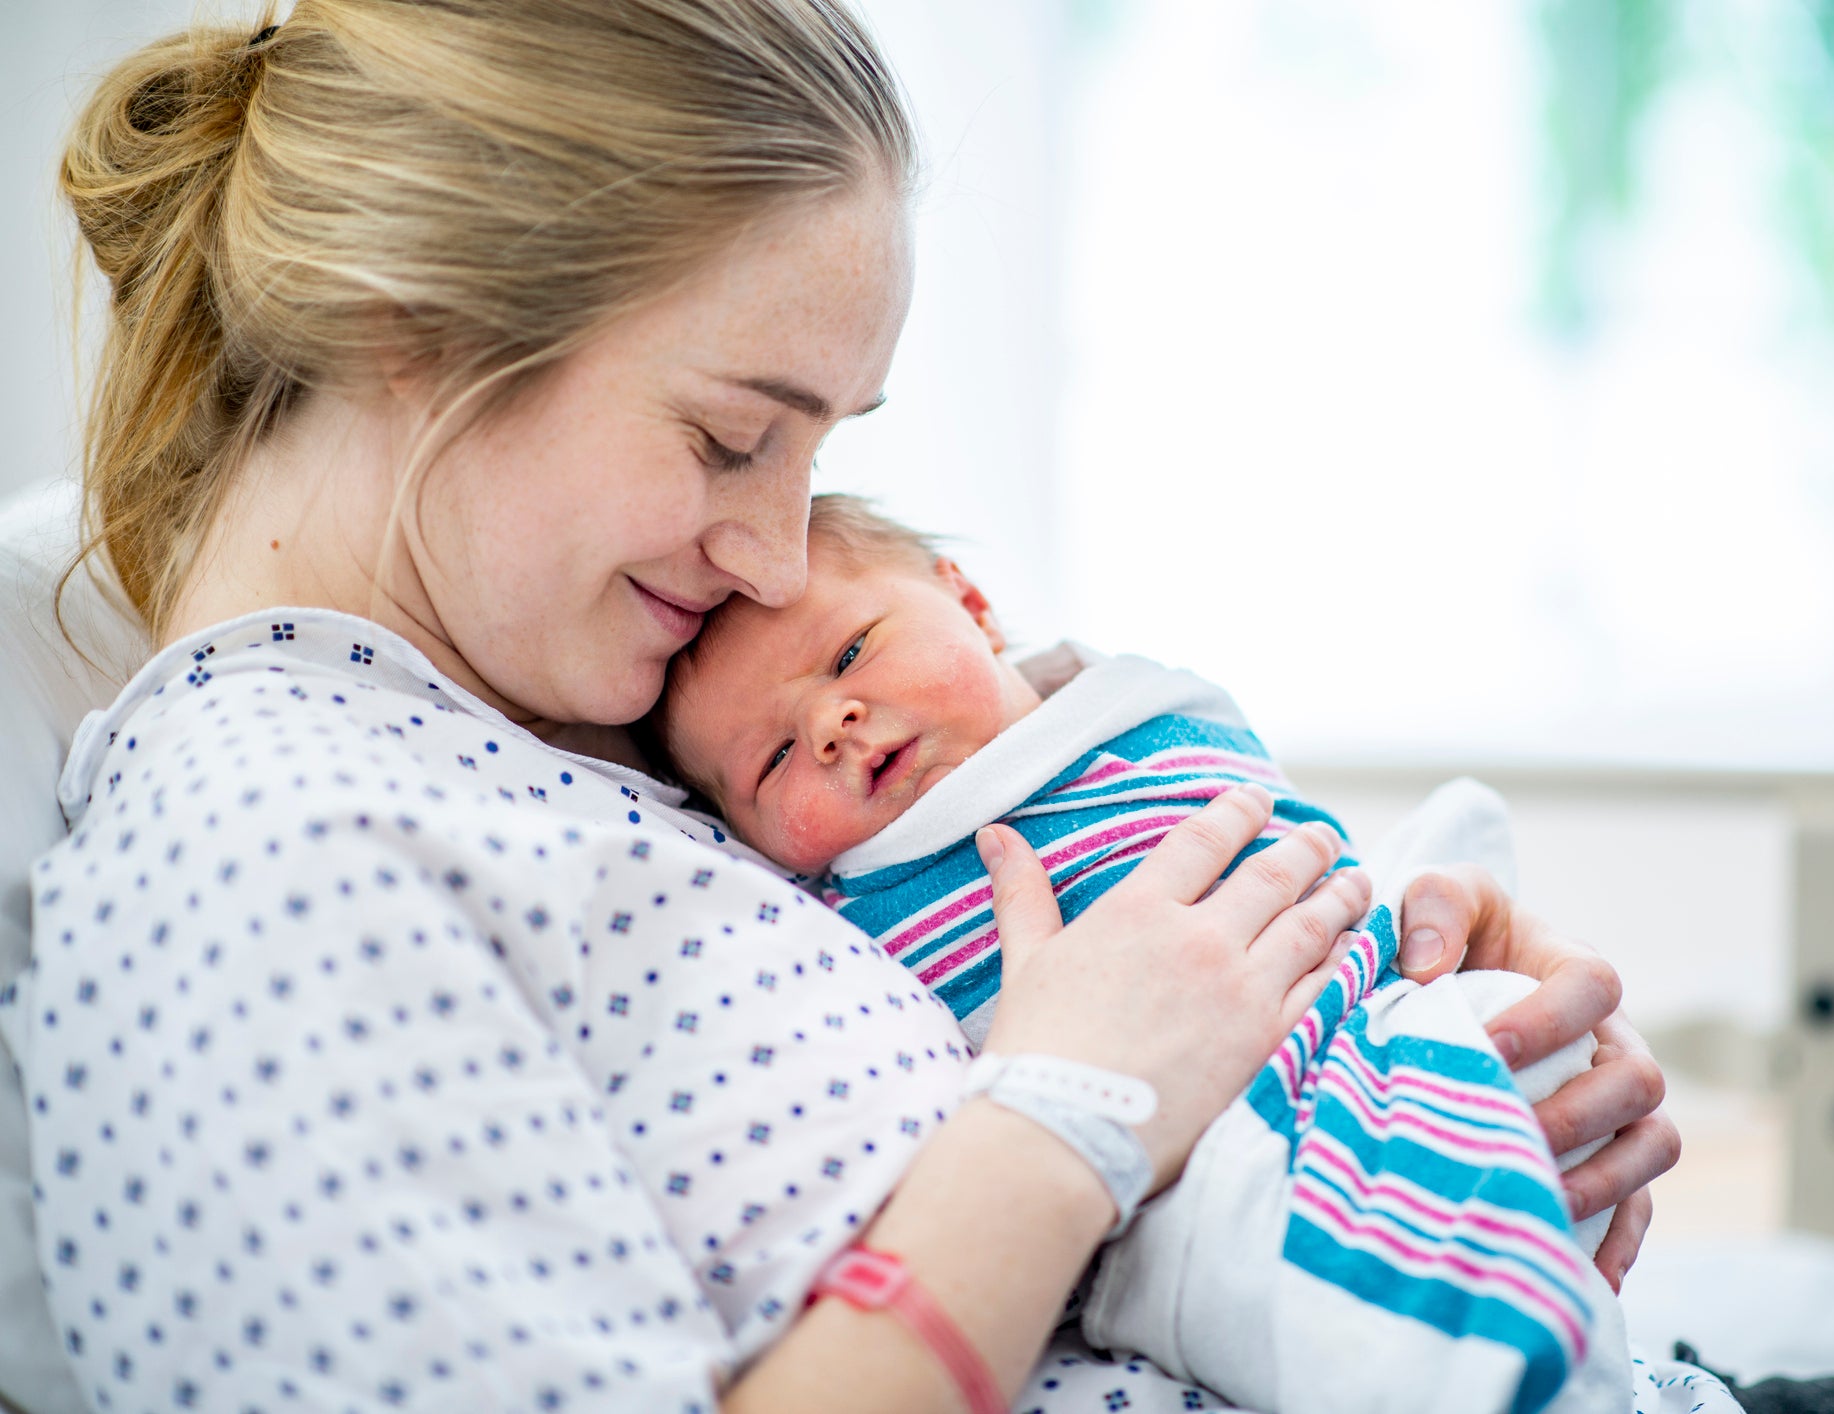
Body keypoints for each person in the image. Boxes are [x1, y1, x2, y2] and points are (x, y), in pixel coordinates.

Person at [0, 4, 1677, 1411]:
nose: (774, 547)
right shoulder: (266, 866)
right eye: (735, 435)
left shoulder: (557, 740)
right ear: (412, 328)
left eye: (820, 451)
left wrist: (1405, 1040)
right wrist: (1070, 1106)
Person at [650, 494, 1742, 1413]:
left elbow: (1296, 842)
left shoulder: (1122, 711)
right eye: (775, 757)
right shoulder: (844, 912)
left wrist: (1431, 932)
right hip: (1224, 1145)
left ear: (971, 602)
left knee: (1493, 998)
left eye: (849, 651)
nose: (834, 721)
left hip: (1377, 1002)